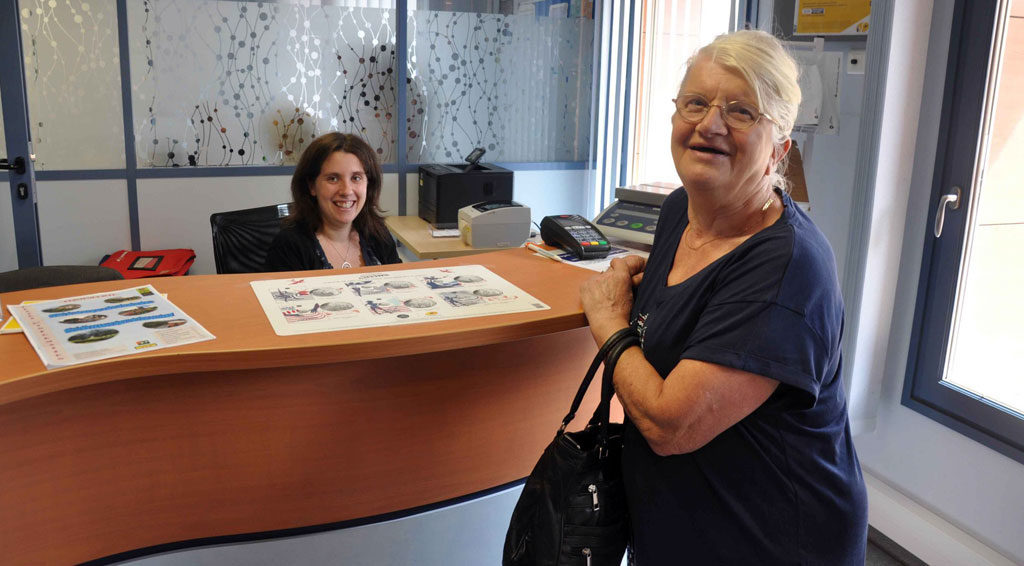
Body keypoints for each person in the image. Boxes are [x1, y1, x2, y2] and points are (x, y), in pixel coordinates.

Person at [579, 30, 867, 564]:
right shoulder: (677, 215)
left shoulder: (786, 265)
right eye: (695, 103)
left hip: (770, 539)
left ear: (779, 146)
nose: (709, 125)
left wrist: (610, 322)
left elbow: (672, 424)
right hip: (682, 527)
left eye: (741, 113)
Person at [264, 132, 400, 271]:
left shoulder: (377, 235)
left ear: (368, 184)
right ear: (312, 186)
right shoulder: (289, 246)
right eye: (333, 178)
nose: (346, 191)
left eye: (356, 178)